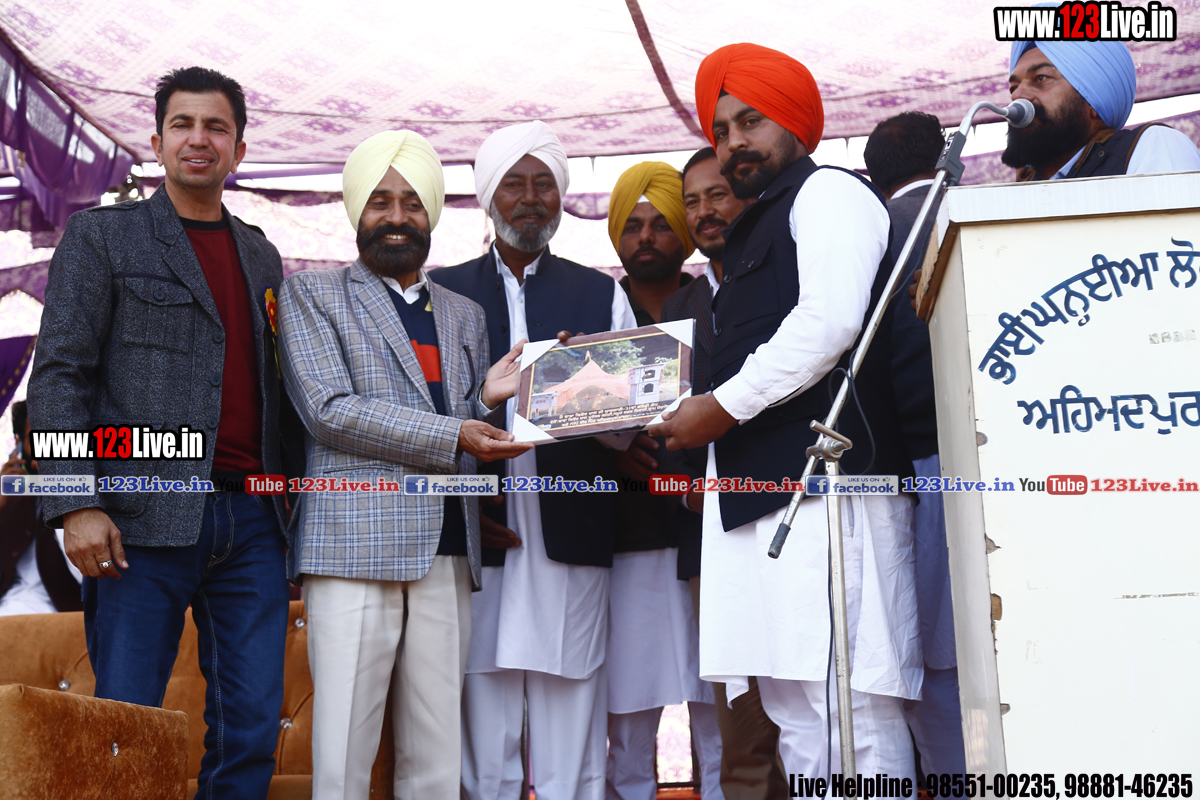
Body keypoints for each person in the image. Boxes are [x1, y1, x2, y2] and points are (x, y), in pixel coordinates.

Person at [650, 43, 921, 778]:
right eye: (721, 130)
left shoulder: (828, 193)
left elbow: (829, 323)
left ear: (795, 123)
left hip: (831, 495)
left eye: (752, 121)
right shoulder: (753, 231)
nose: (734, 142)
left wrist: (719, 410)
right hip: (762, 501)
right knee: (795, 705)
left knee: (850, 707)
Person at [28, 67, 295, 799]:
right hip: (137, 517)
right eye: (183, 124)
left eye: (216, 127)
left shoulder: (261, 255)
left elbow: (276, 391)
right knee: (126, 724)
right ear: (157, 141)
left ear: (238, 149)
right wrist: (75, 504)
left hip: (252, 520)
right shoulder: (103, 237)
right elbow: (58, 377)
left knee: (250, 728)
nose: (198, 139)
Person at [277, 129, 530, 799]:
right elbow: (329, 410)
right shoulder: (311, 294)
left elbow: (455, 415)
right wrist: (460, 428)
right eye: (381, 201)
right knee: (343, 760)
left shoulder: (464, 314)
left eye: (413, 203)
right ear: (356, 210)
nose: (397, 217)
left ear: (433, 213)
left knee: (438, 760)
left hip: (448, 548)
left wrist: (487, 399)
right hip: (353, 547)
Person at [429, 120, 636, 800]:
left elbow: (630, 431)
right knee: (482, 748)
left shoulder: (599, 292)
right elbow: (423, 415)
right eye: (513, 184)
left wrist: (585, 389)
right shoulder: (441, 291)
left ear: (561, 195)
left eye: (543, 183)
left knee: (573, 739)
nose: (529, 198)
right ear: (489, 197)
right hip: (477, 540)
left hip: (569, 540)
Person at [662, 147, 789, 800]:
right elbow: (658, 420)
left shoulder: (786, 275)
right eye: (692, 201)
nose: (705, 211)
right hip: (710, 537)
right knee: (741, 723)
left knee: (811, 707)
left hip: (793, 518)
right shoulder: (676, 307)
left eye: (717, 194)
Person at [604, 161, 723, 800]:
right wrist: (613, 450)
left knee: (719, 704)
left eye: (660, 224)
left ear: (684, 231)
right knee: (629, 708)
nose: (646, 237)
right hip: (627, 536)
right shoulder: (596, 308)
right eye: (632, 226)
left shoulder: (717, 301)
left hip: (711, 533)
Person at [864, 112, 966, 776]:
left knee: (930, 656)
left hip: (913, 469)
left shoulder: (875, 233)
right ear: (948, 160)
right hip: (989, 459)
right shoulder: (972, 216)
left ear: (873, 175)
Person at [1004, 25, 1200, 180]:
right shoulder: (1017, 195)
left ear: (1092, 101)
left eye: (1041, 78)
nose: (1017, 95)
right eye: (1014, 87)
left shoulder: (1152, 146)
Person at [0, 399, 83, 616]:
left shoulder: (86, 491)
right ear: (19, 443)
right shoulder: (10, 494)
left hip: (64, 612)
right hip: (11, 606)